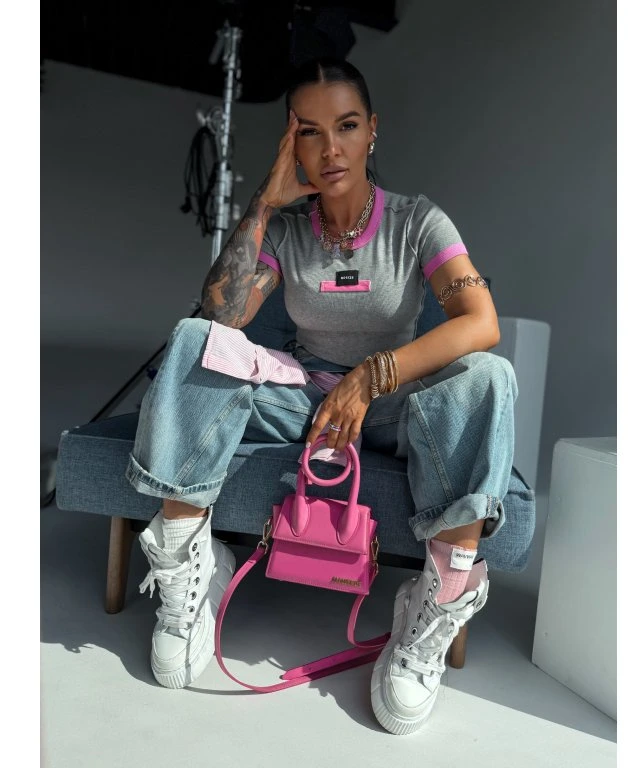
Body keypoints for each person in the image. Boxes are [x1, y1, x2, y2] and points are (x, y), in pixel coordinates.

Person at [125, 57, 518, 735]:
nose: (330, 148)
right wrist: (264, 203)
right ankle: (189, 567)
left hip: (394, 404)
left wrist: (373, 376)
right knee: (194, 338)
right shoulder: (286, 230)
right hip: (301, 398)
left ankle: (434, 604)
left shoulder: (417, 221)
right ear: (292, 142)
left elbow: (481, 322)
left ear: (373, 131)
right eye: (310, 131)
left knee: (490, 375)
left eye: (347, 126)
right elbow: (222, 319)